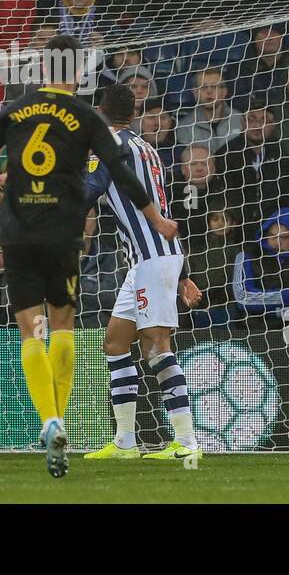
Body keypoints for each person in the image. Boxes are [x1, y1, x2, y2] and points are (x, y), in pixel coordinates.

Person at [0, 35, 177, 477]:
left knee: (32, 329)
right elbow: (119, 169)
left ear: (40, 69)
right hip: (63, 231)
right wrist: (155, 218)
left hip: (19, 231)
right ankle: (59, 418)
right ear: (79, 73)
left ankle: (51, 420)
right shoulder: (85, 114)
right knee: (62, 324)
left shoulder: (13, 110)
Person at [82, 85, 204, 461]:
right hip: (150, 260)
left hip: (152, 261)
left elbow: (88, 191)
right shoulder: (148, 148)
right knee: (116, 343)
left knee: (155, 346)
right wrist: (182, 273)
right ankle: (125, 442)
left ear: (99, 111)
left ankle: (186, 440)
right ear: (133, 114)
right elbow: (158, 205)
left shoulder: (108, 146)